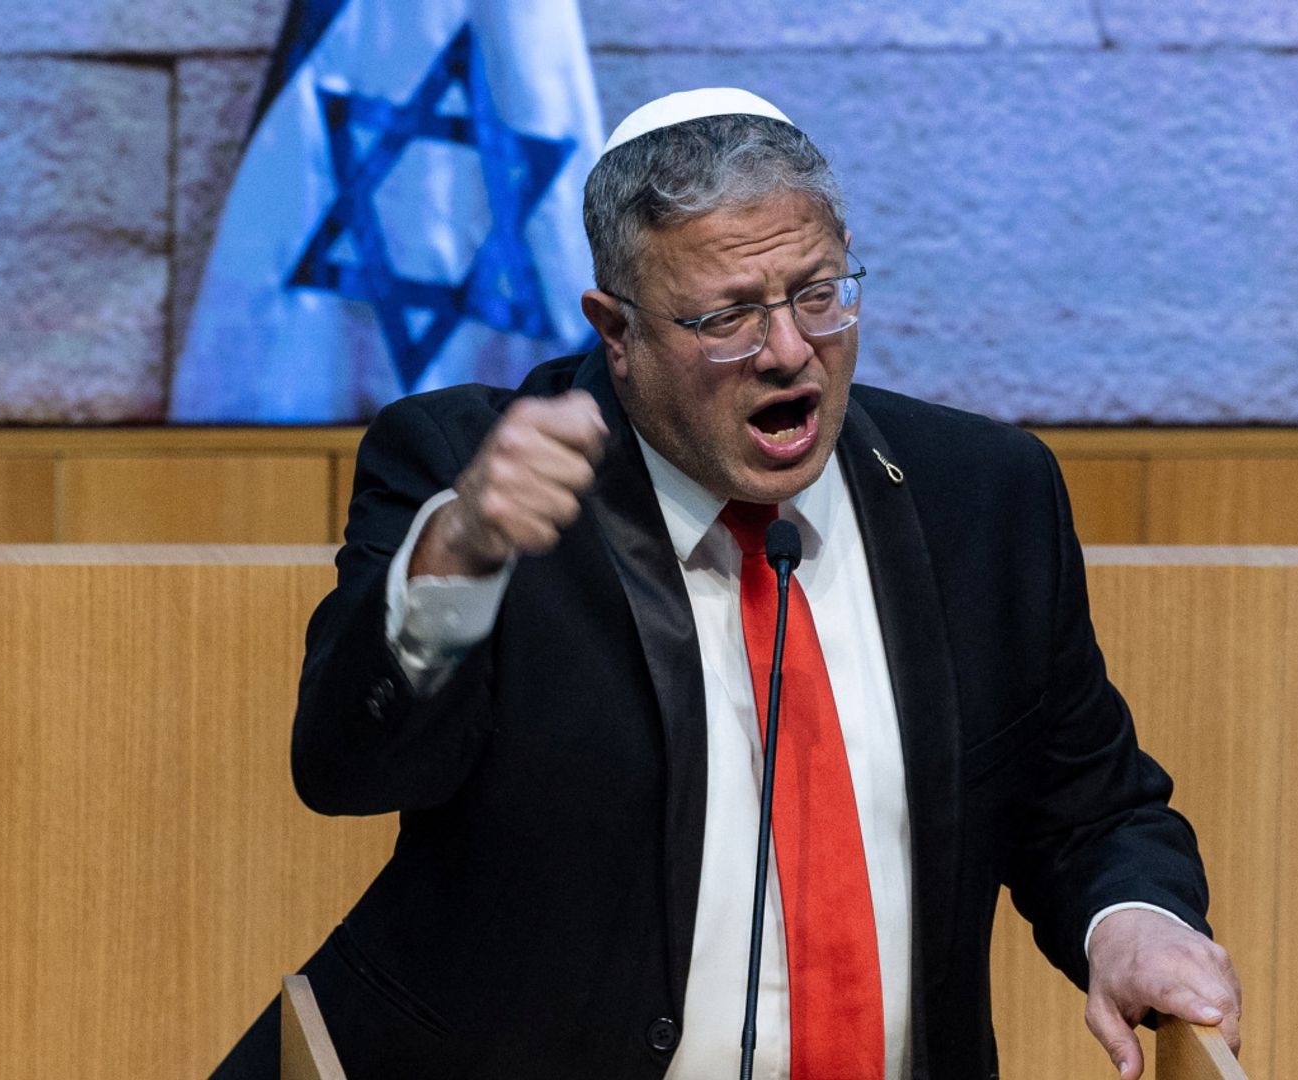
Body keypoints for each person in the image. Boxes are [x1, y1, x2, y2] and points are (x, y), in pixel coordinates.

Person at [287, 88, 1240, 1080]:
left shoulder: (983, 496)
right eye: (728, 316)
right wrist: (460, 553)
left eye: (817, 293)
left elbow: (1088, 807)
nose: (788, 351)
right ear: (616, 332)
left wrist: (1132, 919)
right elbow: (348, 769)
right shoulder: (479, 479)